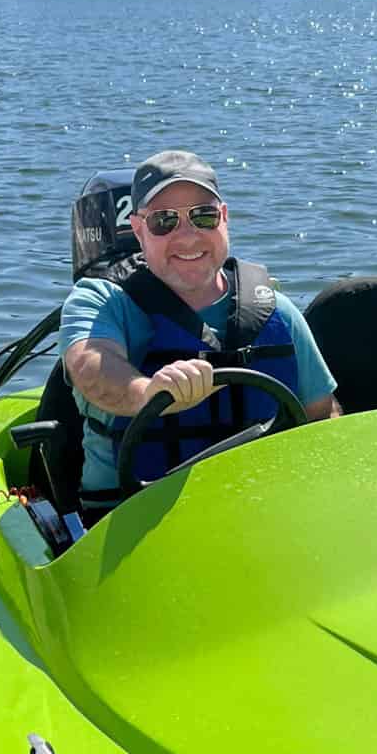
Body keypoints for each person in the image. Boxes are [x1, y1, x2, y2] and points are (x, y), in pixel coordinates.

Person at [60, 149, 338, 515]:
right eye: (164, 221)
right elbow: (90, 367)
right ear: (139, 229)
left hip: (261, 513)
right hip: (129, 519)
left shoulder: (276, 310)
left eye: (203, 216)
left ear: (224, 218)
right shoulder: (103, 300)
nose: (187, 237)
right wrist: (148, 393)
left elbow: (322, 415)